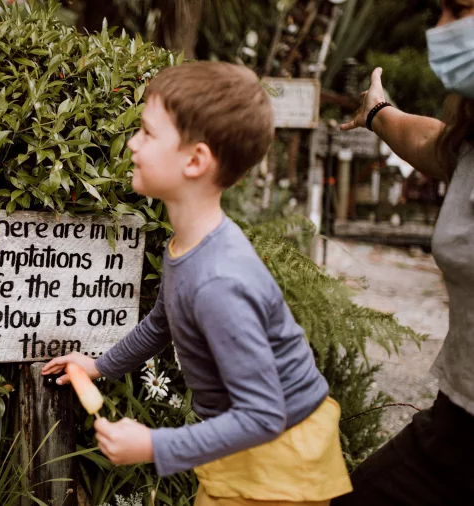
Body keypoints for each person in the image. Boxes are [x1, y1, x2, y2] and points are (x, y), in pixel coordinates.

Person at [41, 61, 352, 506]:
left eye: (147, 133)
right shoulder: (190, 245)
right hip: (249, 445)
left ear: (196, 160)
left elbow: (264, 414)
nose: (132, 143)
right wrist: (99, 366)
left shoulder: (218, 282)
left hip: (280, 462)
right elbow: (162, 321)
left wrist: (153, 446)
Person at [331, 2, 474, 505]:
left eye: (461, 9)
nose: (440, 29)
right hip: (457, 425)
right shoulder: (469, 143)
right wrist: (378, 113)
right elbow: (434, 142)